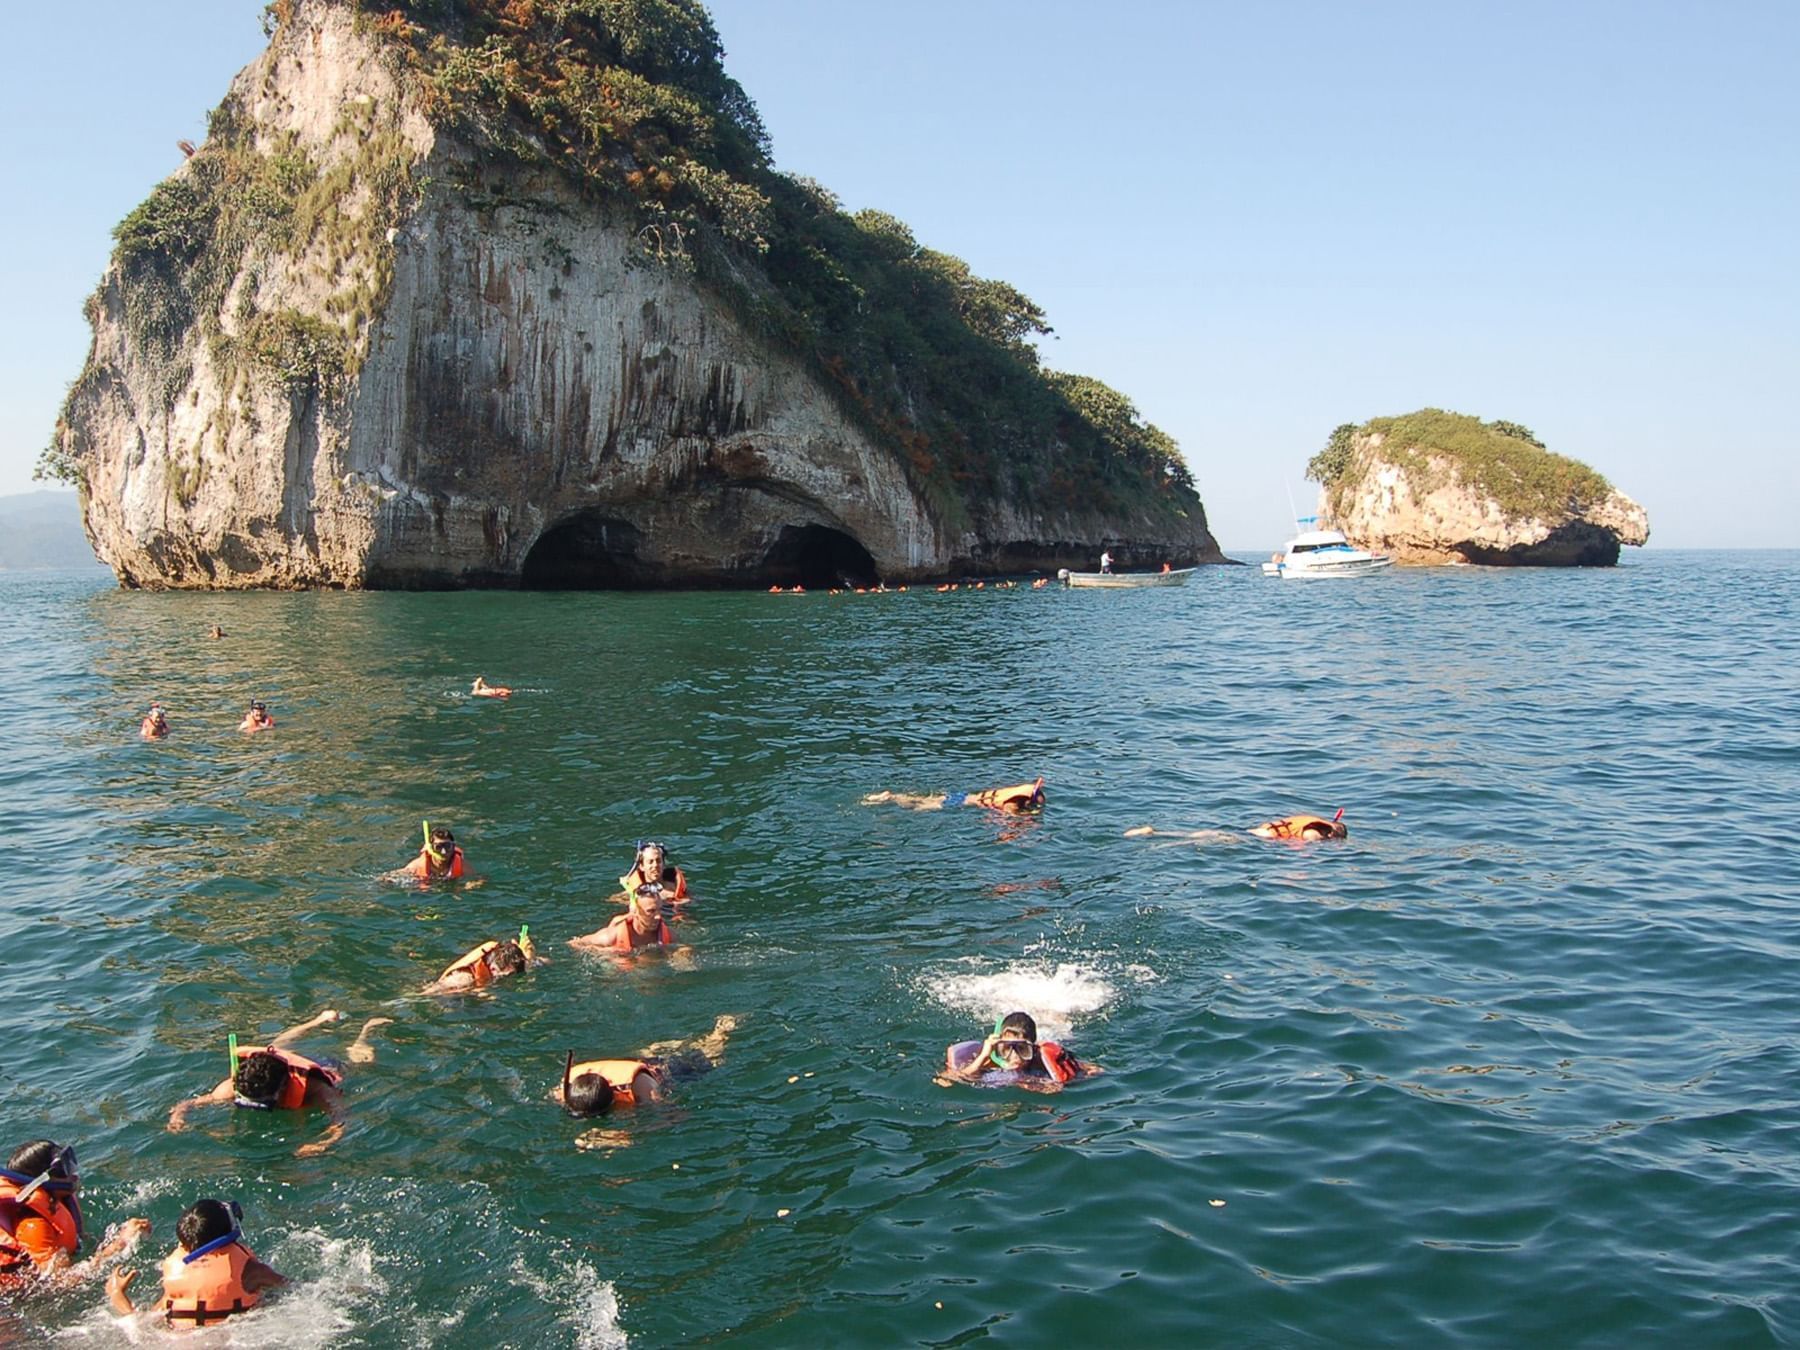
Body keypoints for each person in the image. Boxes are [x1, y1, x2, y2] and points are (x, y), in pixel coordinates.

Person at [167, 1010, 390, 1156]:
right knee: (277, 1044)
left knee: (361, 1060)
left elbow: (341, 1118)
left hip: (327, 1066)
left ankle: (365, 1031)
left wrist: (322, 1143)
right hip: (279, 1063)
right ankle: (319, 1020)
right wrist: (178, 1116)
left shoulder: (316, 1090)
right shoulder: (236, 1087)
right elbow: (193, 1102)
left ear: (283, 1086)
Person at [106, 1197, 285, 1327]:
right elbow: (290, 1288)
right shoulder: (252, 1270)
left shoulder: (176, 1277)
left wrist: (116, 1294)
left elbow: (142, 1322)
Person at [1, 1141, 148, 1288]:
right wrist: (120, 1244)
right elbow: (62, 1282)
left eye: (69, 1163)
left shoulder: (57, 1203)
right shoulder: (33, 1225)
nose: (73, 1174)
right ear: (41, 1179)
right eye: (63, 1169)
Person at [554, 1015, 739, 1117]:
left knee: (711, 1057)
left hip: (665, 1072)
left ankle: (721, 1030)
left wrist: (625, 1137)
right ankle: (660, 1048)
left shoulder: (642, 1088)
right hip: (632, 1063)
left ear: (613, 1101)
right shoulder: (569, 1090)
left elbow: (676, 1116)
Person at [939, 1012, 1097, 1092]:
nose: (1013, 1056)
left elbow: (1091, 1069)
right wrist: (983, 1056)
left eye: (1022, 1049)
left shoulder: (1039, 1061)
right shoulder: (989, 1060)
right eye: (1006, 1048)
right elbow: (946, 1079)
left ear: (1032, 1049)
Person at [425, 929, 538, 993]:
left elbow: (546, 962)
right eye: (507, 974)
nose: (508, 976)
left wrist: (529, 956)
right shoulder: (464, 977)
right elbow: (430, 992)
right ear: (494, 969)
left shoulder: (496, 956)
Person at [569, 884, 673, 954]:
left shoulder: (665, 932)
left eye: (659, 910)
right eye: (651, 911)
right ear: (635, 911)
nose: (658, 916)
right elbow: (576, 943)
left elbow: (680, 946)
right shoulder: (611, 936)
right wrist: (603, 952)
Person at [862, 777, 1045, 815]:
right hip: (960, 804)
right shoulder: (1013, 803)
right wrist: (1027, 816)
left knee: (923, 799)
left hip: (962, 796)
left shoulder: (1019, 790)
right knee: (918, 808)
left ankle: (891, 797)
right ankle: (891, 802)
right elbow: (1009, 814)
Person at [619, 840, 687, 901]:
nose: (655, 865)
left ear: (664, 864)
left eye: (658, 861)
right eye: (650, 862)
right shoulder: (631, 894)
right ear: (642, 866)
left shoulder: (674, 891)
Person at [1250, 812, 1347, 841]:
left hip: (1264, 828)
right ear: (1331, 834)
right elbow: (1308, 836)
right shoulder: (1314, 833)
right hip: (1268, 836)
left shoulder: (1312, 819)